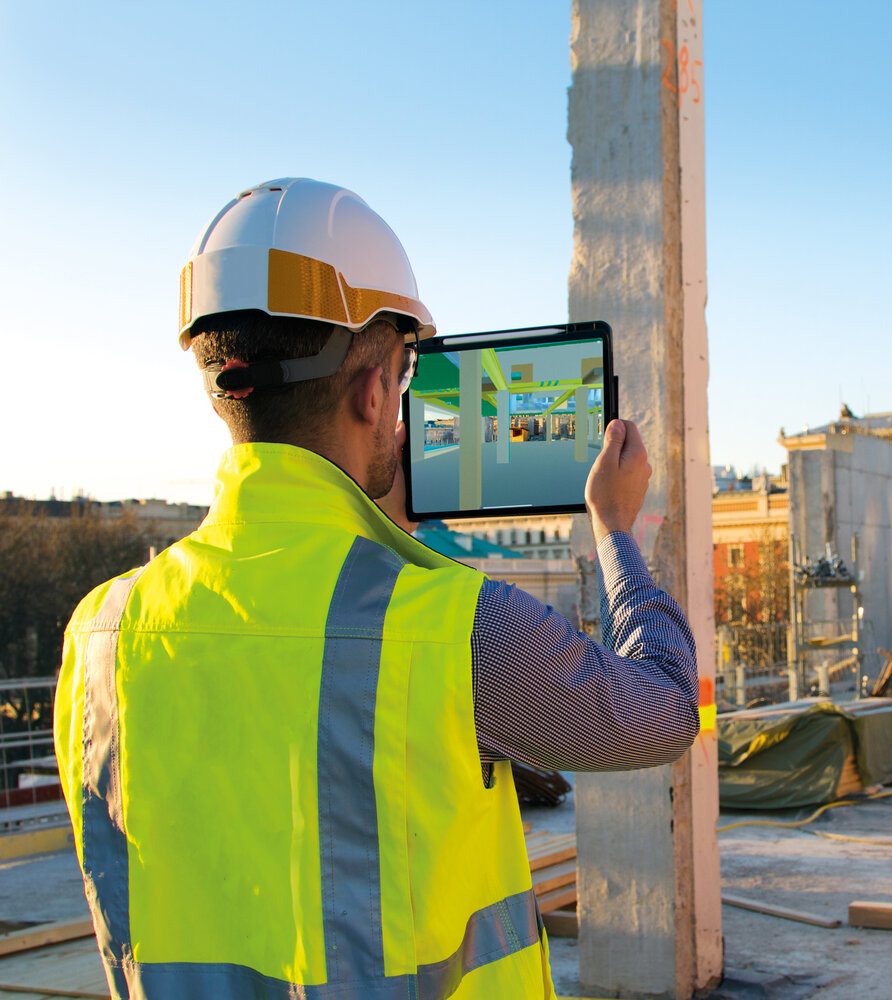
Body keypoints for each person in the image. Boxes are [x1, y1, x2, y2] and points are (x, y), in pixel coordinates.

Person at [54, 178, 700, 998]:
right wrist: (615, 528)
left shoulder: (100, 636)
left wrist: (372, 533)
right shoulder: (459, 632)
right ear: (372, 392)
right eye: (403, 381)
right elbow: (668, 709)